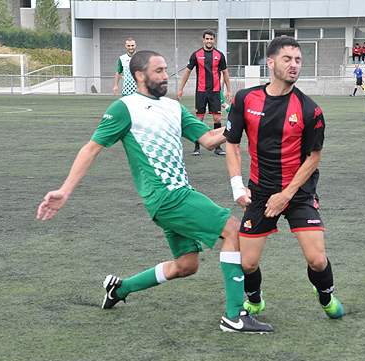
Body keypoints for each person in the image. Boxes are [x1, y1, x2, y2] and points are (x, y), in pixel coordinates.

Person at [37, 50, 273, 334]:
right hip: (167, 197)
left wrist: (241, 120)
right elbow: (91, 148)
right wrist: (65, 190)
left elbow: (209, 140)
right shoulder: (125, 107)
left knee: (186, 265)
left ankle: (120, 288)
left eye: (165, 70)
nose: (165, 76)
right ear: (139, 75)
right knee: (233, 230)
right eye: (159, 71)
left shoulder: (174, 108)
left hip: (177, 194)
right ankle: (235, 316)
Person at [224, 37, 344, 326]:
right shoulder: (245, 99)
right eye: (287, 59)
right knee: (248, 263)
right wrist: (237, 185)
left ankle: (326, 296)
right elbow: (231, 144)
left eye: (298, 60)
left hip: (298, 191)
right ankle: (254, 300)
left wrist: (286, 195)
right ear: (271, 62)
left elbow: (313, 157)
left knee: (317, 259)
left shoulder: (309, 108)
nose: (294, 65)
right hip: (260, 191)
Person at [176, 29, 232, 156]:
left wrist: (229, 90)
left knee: (217, 118)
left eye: (211, 38)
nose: (209, 41)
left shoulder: (219, 55)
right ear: (203, 40)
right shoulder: (196, 55)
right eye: (207, 38)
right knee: (199, 119)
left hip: (215, 92)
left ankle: (217, 147)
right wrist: (181, 89)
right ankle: (197, 147)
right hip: (201, 92)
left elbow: (225, 73)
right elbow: (188, 71)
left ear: (214, 40)